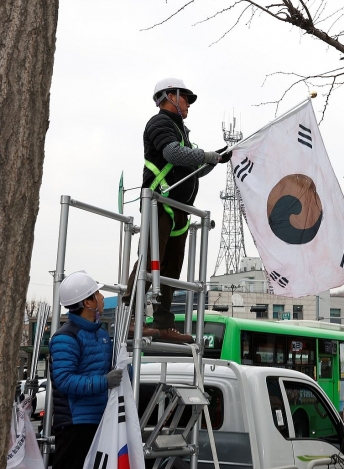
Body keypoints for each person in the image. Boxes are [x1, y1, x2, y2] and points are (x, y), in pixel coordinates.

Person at [123, 78, 230, 343]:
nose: (188, 105)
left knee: (171, 268)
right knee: (150, 260)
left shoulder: (182, 132)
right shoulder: (159, 123)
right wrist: (205, 155)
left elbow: (194, 167)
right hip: (159, 203)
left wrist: (217, 158)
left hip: (178, 209)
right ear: (169, 96)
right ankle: (131, 318)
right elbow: (172, 154)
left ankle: (162, 324)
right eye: (185, 99)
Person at [49, 271, 123, 469]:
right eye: (97, 293)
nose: (101, 297)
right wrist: (105, 382)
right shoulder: (65, 337)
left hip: (99, 420)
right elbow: (64, 381)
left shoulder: (101, 334)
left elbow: (108, 369)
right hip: (74, 424)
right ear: (88, 303)